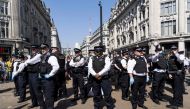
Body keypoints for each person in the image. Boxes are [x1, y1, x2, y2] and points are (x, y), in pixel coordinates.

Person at [38, 43, 60, 109]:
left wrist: (50, 75)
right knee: (45, 95)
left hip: (49, 80)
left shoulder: (51, 57)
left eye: (44, 48)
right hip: (43, 79)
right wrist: (40, 74)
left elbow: (56, 67)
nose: (43, 50)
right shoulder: (42, 57)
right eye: (42, 49)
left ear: (48, 49)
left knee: (49, 96)